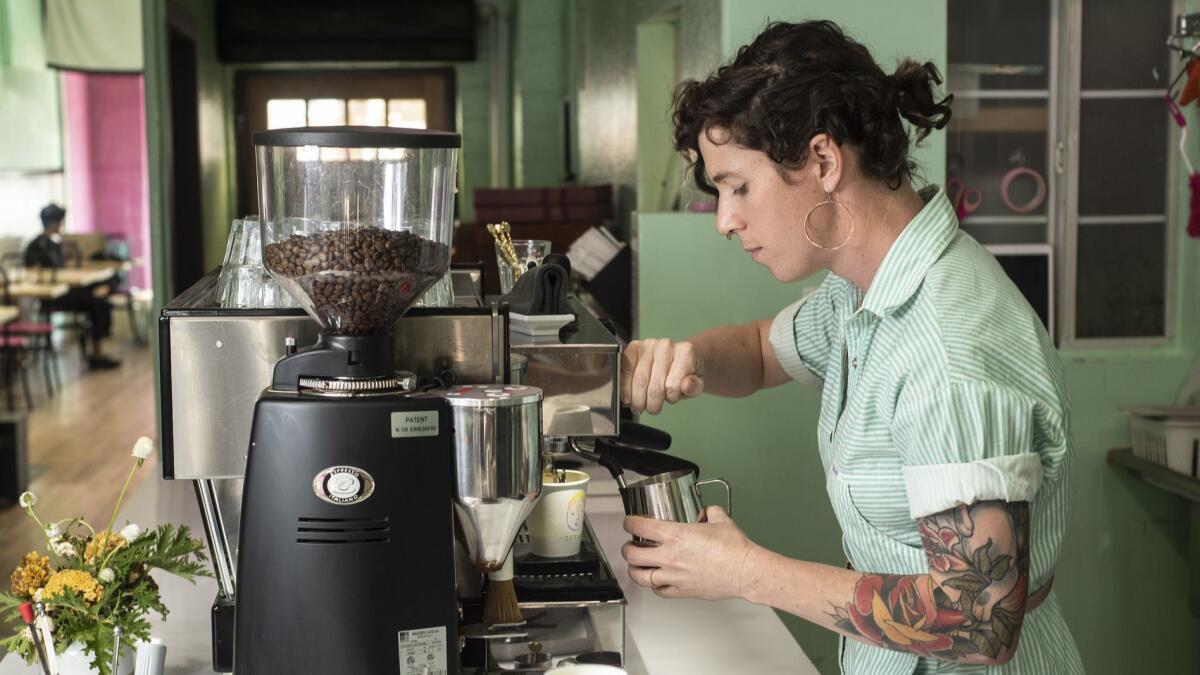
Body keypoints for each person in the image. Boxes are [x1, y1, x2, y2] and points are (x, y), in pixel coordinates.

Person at [618, 21, 1083, 673]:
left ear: (824, 162)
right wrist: (686, 360)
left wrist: (746, 570)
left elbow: (979, 621)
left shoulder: (946, 349)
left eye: (738, 186)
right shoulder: (860, 291)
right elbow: (758, 352)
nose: (724, 219)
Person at [24, 204, 121, 370]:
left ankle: (101, 297)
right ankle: (97, 354)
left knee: (111, 279)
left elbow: (63, 266)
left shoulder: (54, 244)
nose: (61, 226)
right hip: (53, 295)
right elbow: (33, 273)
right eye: (60, 222)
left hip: (66, 287)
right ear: (54, 223)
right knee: (97, 302)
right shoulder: (35, 246)